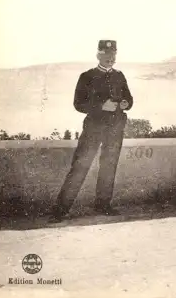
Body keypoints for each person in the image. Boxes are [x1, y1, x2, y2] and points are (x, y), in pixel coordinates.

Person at [48, 40, 133, 223]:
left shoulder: (120, 76)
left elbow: (129, 99)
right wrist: (102, 106)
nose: (111, 58)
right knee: (80, 166)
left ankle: (103, 205)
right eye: (107, 55)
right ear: (98, 55)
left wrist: (126, 104)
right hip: (94, 129)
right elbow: (79, 104)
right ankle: (60, 210)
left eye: (113, 55)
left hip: (115, 129)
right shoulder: (87, 76)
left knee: (109, 167)